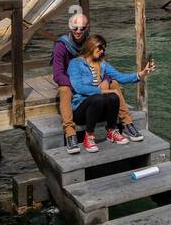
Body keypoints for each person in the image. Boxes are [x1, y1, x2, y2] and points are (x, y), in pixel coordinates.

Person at [51, 11, 142, 154]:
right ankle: (70, 132)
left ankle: (127, 122)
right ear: (70, 28)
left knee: (114, 84)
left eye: (82, 28)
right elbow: (57, 74)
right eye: (75, 28)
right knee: (64, 90)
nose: (78, 31)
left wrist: (105, 80)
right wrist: (76, 84)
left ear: (87, 28)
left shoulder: (92, 43)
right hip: (70, 81)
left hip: (92, 82)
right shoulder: (61, 46)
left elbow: (103, 66)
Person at [67, 35, 156, 153]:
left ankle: (111, 131)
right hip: (81, 110)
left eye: (103, 49)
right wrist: (104, 91)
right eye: (99, 48)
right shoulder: (75, 63)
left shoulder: (102, 64)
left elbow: (121, 77)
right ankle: (89, 136)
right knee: (99, 98)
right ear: (91, 46)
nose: (102, 51)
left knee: (114, 97)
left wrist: (142, 73)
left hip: (98, 110)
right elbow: (79, 88)